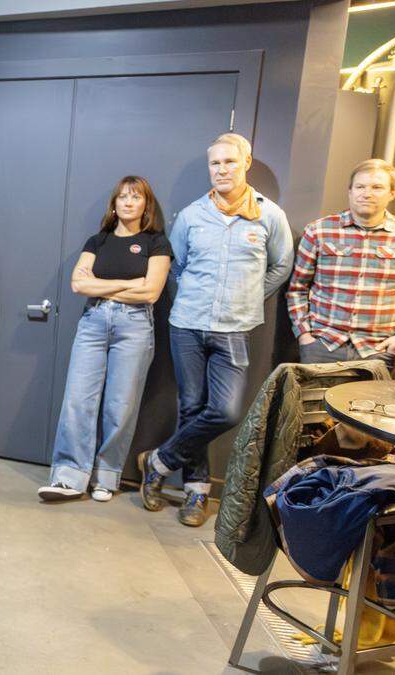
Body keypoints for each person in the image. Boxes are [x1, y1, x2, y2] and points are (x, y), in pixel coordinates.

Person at [138, 133, 294, 527]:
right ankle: (196, 493)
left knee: (225, 411)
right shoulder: (192, 215)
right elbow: (175, 267)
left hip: (235, 330)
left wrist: (247, 298)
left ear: (246, 163)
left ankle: (157, 462)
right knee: (191, 408)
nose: (222, 169)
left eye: (229, 162)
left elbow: (281, 266)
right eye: (215, 163)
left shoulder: (269, 215)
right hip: (187, 326)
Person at [39, 177, 171, 502]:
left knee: (120, 405)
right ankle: (69, 477)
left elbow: (151, 292)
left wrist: (101, 282)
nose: (128, 202)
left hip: (135, 327)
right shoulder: (97, 241)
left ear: (145, 205)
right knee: (77, 400)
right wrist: (129, 284)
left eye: (135, 197)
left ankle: (107, 477)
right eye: (122, 197)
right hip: (94, 322)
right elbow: (78, 286)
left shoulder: (157, 243)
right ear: (113, 204)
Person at [287, 159, 395, 366]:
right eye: (360, 187)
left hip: (379, 349)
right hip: (323, 346)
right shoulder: (320, 231)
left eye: (377, 187)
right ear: (350, 190)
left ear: (393, 192)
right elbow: (297, 289)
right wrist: (304, 336)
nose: (367, 193)